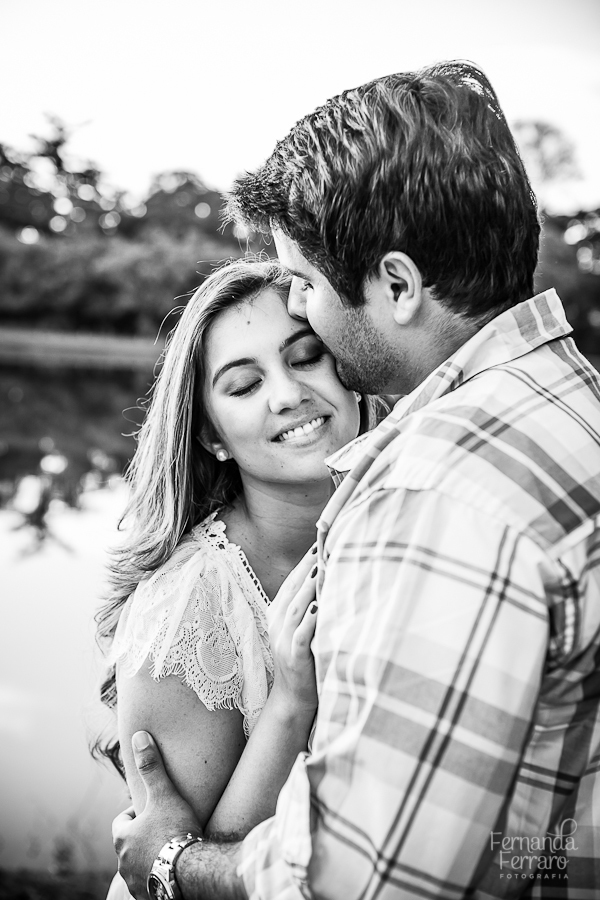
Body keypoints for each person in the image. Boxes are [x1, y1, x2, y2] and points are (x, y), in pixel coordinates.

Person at [112, 61, 600, 899]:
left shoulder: (434, 494)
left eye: (304, 287)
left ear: (400, 286)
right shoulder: (574, 406)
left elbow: (363, 882)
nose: (304, 314)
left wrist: (170, 864)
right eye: (241, 382)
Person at [96, 258, 380, 898]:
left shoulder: (400, 527)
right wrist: (289, 703)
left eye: (306, 356)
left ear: (351, 369)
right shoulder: (185, 608)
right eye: (245, 385)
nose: (286, 394)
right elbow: (171, 866)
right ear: (211, 435)